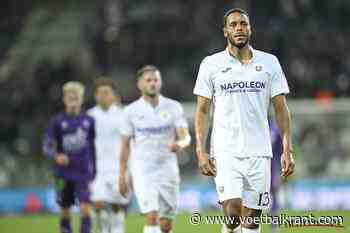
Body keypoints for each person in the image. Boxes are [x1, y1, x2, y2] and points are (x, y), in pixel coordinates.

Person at [193, 8, 295, 233]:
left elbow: (281, 109)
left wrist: (287, 150)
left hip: (260, 151)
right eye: (234, 25)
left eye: (243, 24)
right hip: (225, 150)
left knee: (252, 219)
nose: (239, 28)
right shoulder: (211, 64)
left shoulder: (269, 63)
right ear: (225, 31)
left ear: (250, 29)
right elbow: (202, 111)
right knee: (232, 212)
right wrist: (201, 150)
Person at [119, 65, 191, 233]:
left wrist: (180, 144)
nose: (152, 83)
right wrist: (122, 175)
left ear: (161, 82)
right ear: (140, 84)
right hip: (143, 169)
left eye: (156, 80)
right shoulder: (131, 111)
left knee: (166, 224)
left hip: (168, 168)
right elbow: (124, 146)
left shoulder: (173, 107)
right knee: (151, 216)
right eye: (148, 80)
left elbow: (185, 136)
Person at [43, 81, 96, 233]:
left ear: (82, 99)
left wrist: (94, 172)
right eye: (70, 98)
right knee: (65, 210)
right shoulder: (57, 122)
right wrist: (56, 155)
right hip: (62, 175)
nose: (73, 102)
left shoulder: (89, 121)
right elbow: (47, 145)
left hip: (83, 173)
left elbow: (92, 147)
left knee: (86, 209)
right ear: (64, 99)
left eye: (76, 98)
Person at [88, 78, 131, 233]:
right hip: (96, 168)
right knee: (98, 204)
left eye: (106, 93)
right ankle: (103, 226)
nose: (103, 96)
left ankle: (116, 227)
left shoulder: (123, 115)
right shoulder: (89, 117)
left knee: (116, 206)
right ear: (95, 96)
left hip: (117, 167)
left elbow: (129, 144)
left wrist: (130, 170)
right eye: (100, 93)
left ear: (113, 95)